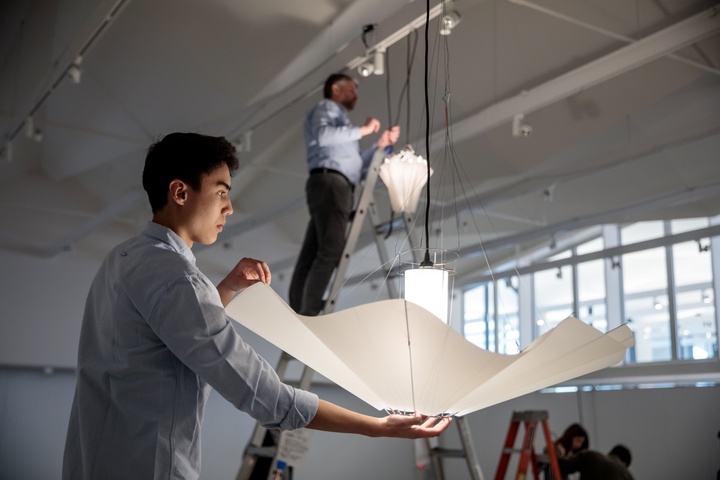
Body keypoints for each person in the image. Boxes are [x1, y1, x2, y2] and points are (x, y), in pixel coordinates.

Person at [61, 133, 450, 480]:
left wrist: (225, 289)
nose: (229, 208)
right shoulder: (176, 276)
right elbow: (262, 393)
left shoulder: (124, 258)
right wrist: (375, 427)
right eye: (221, 191)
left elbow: (169, 335)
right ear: (180, 192)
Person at [289, 73, 400, 316]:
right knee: (331, 249)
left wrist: (379, 145)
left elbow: (356, 168)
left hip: (333, 183)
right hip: (331, 184)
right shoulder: (327, 107)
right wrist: (364, 130)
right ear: (335, 90)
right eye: (351, 90)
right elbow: (323, 136)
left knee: (314, 250)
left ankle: (299, 310)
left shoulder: (344, 128)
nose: (356, 95)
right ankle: (307, 314)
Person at [558, 444, 635, 480]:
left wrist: (559, 454)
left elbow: (564, 465)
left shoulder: (590, 455)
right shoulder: (628, 475)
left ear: (609, 453)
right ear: (625, 463)